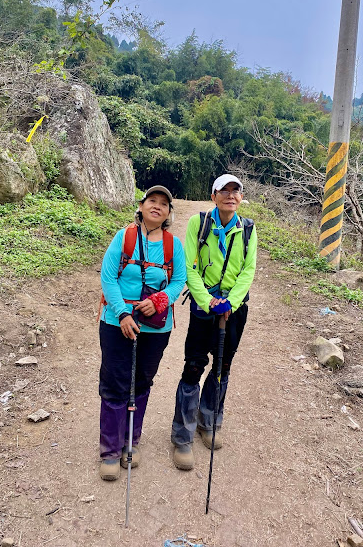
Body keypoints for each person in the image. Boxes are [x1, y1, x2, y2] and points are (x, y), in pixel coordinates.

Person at [98, 185, 186, 481]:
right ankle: (110, 450)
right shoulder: (124, 237)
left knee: (142, 381)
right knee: (115, 382)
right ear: (142, 206)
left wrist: (160, 299)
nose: (157, 206)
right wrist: (122, 312)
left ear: (169, 213)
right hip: (116, 321)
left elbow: (179, 281)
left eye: (164, 203)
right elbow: (108, 276)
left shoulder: (174, 245)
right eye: (152, 201)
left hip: (155, 327)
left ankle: (130, 442)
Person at [171, 174, 257, 470]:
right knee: (194, 366)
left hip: (233, 311)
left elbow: (248, 270)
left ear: (240, 197)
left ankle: (208, 422)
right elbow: (189, 266)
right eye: (225, 191)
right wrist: (208, 300)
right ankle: (182, 434)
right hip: (203, 306)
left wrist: (230, 303)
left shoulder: (247, 229)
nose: (230, 196)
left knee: (222, 366)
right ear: (214, 195)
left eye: (236, 191)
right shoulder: (200, 223)